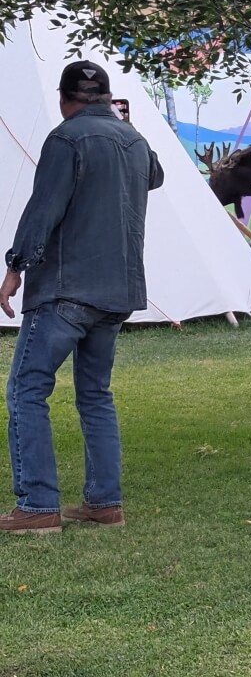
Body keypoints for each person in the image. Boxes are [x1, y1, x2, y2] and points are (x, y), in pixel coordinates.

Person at [0, 61, 164, 534]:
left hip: (67, 289)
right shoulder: (133, 140)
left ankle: (37, 505)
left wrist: (15, 268)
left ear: (64, 98)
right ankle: (103, 502)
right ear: (108, 98)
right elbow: (155, 176)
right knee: (95, 395)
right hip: (118, 290)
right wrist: (126, 124)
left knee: (26, 390)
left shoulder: (66, 138)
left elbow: (43, 210)